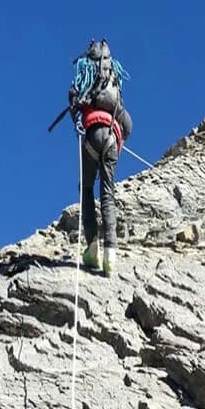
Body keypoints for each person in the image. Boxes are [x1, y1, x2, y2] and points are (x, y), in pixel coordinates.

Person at [68, 39, 133, 277]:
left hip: (92, 137)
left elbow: (73, 100)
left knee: (86, 188)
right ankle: (111, 255)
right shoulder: (114, 85)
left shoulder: (84, 76)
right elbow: (128, 125)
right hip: (112, 140)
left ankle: (92, 247)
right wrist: (119, 138)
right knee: (108, 193)